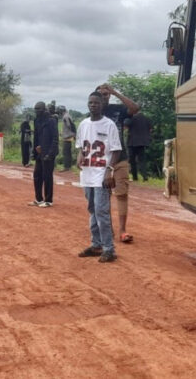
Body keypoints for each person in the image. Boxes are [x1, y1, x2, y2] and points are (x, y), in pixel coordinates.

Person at [76, 92, 121, 263]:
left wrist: (109, 170)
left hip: (102, 175)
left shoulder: (109, 125)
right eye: (90, 102)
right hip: (87, 174)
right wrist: (79, 155)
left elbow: (116, 150)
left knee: (102, 211)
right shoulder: (83, 124)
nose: (93, 105)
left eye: (96, 103)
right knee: (92, 210)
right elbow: (81, 146)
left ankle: (109, 248)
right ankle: (96, 245)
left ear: (102, 105)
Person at [97, 83, 141, 243]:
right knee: (104, 196)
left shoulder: (118, 110)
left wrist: (115, 92)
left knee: (121, 194)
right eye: (100, 94)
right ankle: (106, 229)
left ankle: (123, 230)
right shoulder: (94, 112)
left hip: (120, 158)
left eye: (106, 93)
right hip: (101, 160)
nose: (103, 96)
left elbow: (135, 108)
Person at [29, 102, 58, 208]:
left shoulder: (51, 121)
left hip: (49, 153)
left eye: (39, 109)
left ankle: (48, 200)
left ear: (44, 109)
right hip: (39, 152)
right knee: (37, 175)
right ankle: (38, 199)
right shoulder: (37, 120)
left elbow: (55, 139)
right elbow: (36, 136)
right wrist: (34, 151)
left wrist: (50, 154)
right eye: (35, 109)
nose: (37, 111)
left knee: (47, 176)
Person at [125, 112, 152, 182]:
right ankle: (145, 177)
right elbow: (150, 129)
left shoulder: (131, 118)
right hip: (143, 143)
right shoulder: (146, 118)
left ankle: (135, 177)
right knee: (142, 160)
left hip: (132, 142)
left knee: (132, 160)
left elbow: (125, 126)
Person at [58, 105, 76, 171]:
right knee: (68, 152)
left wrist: (72, 134)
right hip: (68, 136)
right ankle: (69, 166)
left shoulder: (66, 117)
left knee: (65, 152)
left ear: (61, 111)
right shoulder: (67, 115)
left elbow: (70, 125)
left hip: (68, 137)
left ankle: (66, 167)